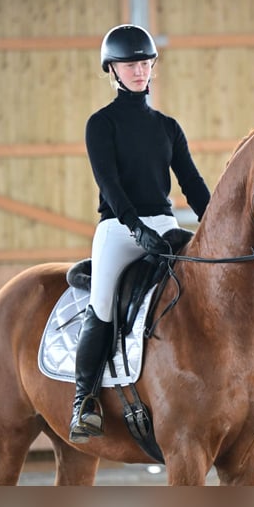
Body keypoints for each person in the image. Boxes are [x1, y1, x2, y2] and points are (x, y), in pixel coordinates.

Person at [68, 24, 211, 443]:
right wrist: (134, 227)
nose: (140, 70)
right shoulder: (101, 124)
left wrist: (219, 225)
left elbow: (194, 185)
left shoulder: (167, 127)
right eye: (131, 64)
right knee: (104, 305)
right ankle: (85, 400)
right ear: (112, 69)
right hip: (118, 228)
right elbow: (109, 184)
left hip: (165, 226)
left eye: (146, 63)